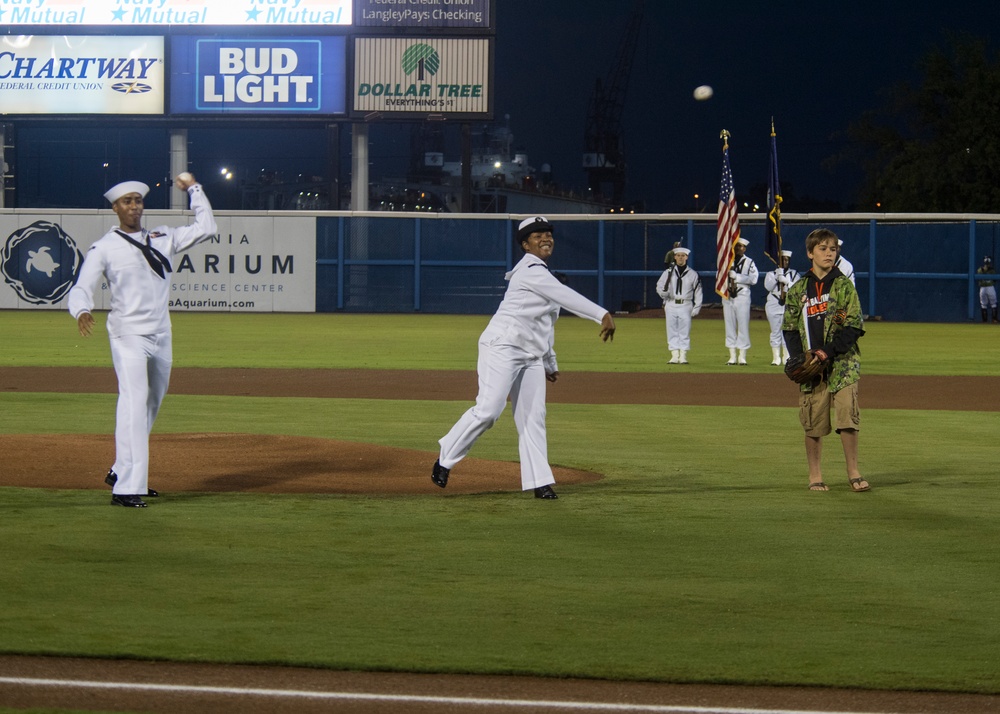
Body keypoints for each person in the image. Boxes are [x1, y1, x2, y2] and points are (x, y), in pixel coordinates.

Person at [432, 216, 616, 499]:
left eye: (548, 234)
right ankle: (446, 457)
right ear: (525, 245)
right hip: (502, 348)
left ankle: (539, 481)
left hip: (530, 356)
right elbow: (566, 296)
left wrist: (548, 362)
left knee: (533, 417)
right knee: (489, 411)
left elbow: (544, 325)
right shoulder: (530, 270)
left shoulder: (543, 277)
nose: (545, 238)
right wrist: (600, 313)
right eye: (537, 235)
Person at [68, 174, 217, 508]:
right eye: (126, 201)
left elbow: (207, 227)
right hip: (128, 334)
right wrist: (81, 310)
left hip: (161, 333)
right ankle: (127, 488)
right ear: (115, 208)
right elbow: (82, 285)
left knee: (150, 405)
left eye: (137, 200)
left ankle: (122, 469)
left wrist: (194, 189)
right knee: (134, 403)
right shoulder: (105, 247)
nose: (133, 206)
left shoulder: (162, 237)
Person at [782, 228, 869, 493]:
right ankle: (815, 475)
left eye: (832, 249)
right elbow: (789, 327)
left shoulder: (844, 287)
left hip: (843, 365)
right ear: (810, 253)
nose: (829, 253)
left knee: (847, 420)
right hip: (813, 371)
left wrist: (826, 352)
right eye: (822, 249)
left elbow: (854, 326)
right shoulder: (798, 289)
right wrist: (799, 359)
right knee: (813, 422)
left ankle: (853, 472)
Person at [655, 246, 702, 364]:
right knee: (671, 330)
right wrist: (663, 293)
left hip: (685, 304)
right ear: (675, 257)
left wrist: (697, 306)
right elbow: (659, 286)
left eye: (683, 256)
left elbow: (698, 291)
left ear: (686, 257)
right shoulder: (668, 273)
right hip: (671, 303)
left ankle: (683, 355)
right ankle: (674, 355)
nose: (680, 258)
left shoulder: (693, 274)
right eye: (678, 256)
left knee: (684, 330)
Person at [721, 236, 758, 365]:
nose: (739, 248)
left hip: (742, 295)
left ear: (745, 249)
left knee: (743, 325)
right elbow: (719, 276)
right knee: (729, 325)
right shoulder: (726, 261)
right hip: (728, 295)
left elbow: (754, 279)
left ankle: (742, 355)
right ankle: (732, 356)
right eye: (737, 246)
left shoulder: (749, 262)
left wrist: (737, 277)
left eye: (742, 246)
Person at [763, 249, 800, 365]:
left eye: (787, 259)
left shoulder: (794, 274)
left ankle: (786, 356)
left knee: (787, 331)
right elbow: (768, 287)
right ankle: (776, 357)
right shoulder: (771, 274)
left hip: (789, 304)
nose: (785, 261)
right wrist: (776, 277)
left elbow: (797, 288)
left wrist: (786, 281)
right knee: (775, 331)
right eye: (782, 259)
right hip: (774, 303)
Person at [976, 255, 998, 323]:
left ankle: (985, 320)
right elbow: (994, 280)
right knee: (993, 303)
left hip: (983, 288)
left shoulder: (980, 270)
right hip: (989, 287)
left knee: (983, 304)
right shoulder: (991, 270)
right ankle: (993, 319)